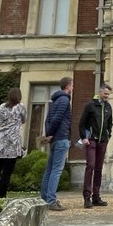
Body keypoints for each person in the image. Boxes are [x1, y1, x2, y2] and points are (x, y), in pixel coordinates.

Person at [39, 77, 73, 211]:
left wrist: (48, 134)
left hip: (54, 140)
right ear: (68, 86)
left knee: (49, 169)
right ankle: (51, 201)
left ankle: (44, 198)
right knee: (57, 170)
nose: (72, 88)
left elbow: (48, 120)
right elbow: (57, 118)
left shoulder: (54, 101)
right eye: (72, 85)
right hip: (61, 138)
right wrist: (51, 134)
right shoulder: (64, 100)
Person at [0, 87, 27, 198]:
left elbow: (0, 119)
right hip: (12, 143)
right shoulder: (20, 107)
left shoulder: (1, 106)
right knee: (6, 172)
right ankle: (1, 196)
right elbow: (24, 120)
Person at [79, 82, 113, 208]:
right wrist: (83, 137)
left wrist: (108, 136)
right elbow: (82, 123)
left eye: (108, 94)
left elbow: (110, 123)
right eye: (105, 94)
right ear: (100, 92)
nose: (106, 96)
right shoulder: (90, 106)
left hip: (103, 141)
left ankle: (96, 197)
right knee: (91, 166)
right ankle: (87, 197)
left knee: (99, 168)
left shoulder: (108, 107)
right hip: (91, 140)